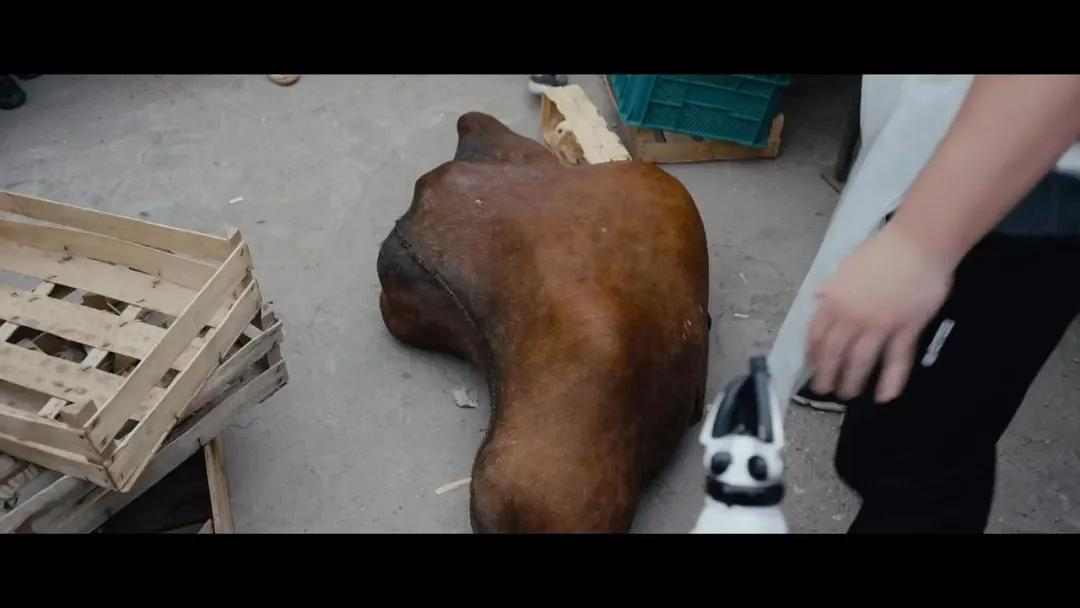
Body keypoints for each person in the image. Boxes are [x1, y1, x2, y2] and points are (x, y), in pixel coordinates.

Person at [788, 75, 1080, 533]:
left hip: (1020, 184)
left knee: (911, 460)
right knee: (885, 431)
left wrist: (922, 243)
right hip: (951, 145)